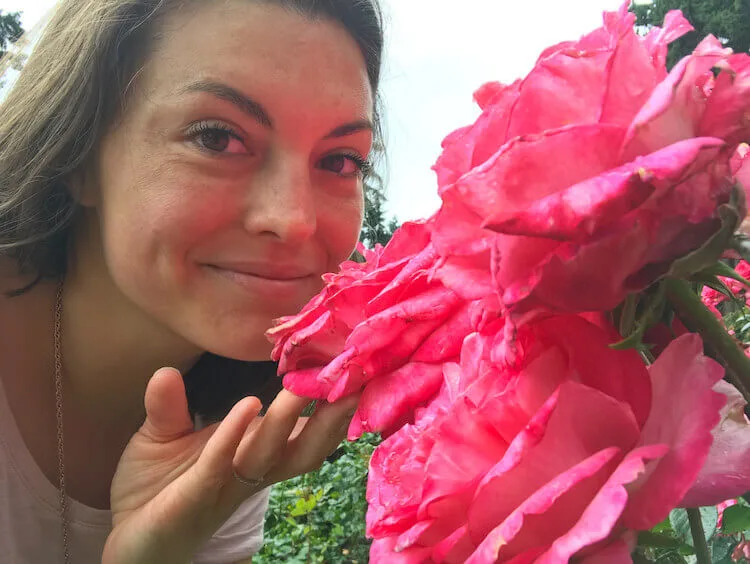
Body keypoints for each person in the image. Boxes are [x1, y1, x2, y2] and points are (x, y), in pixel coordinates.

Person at [0, 0, 384, 561]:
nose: (293, 219)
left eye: (340, 161)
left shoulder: (232, 417)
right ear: (78, 153)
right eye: (217, 137)